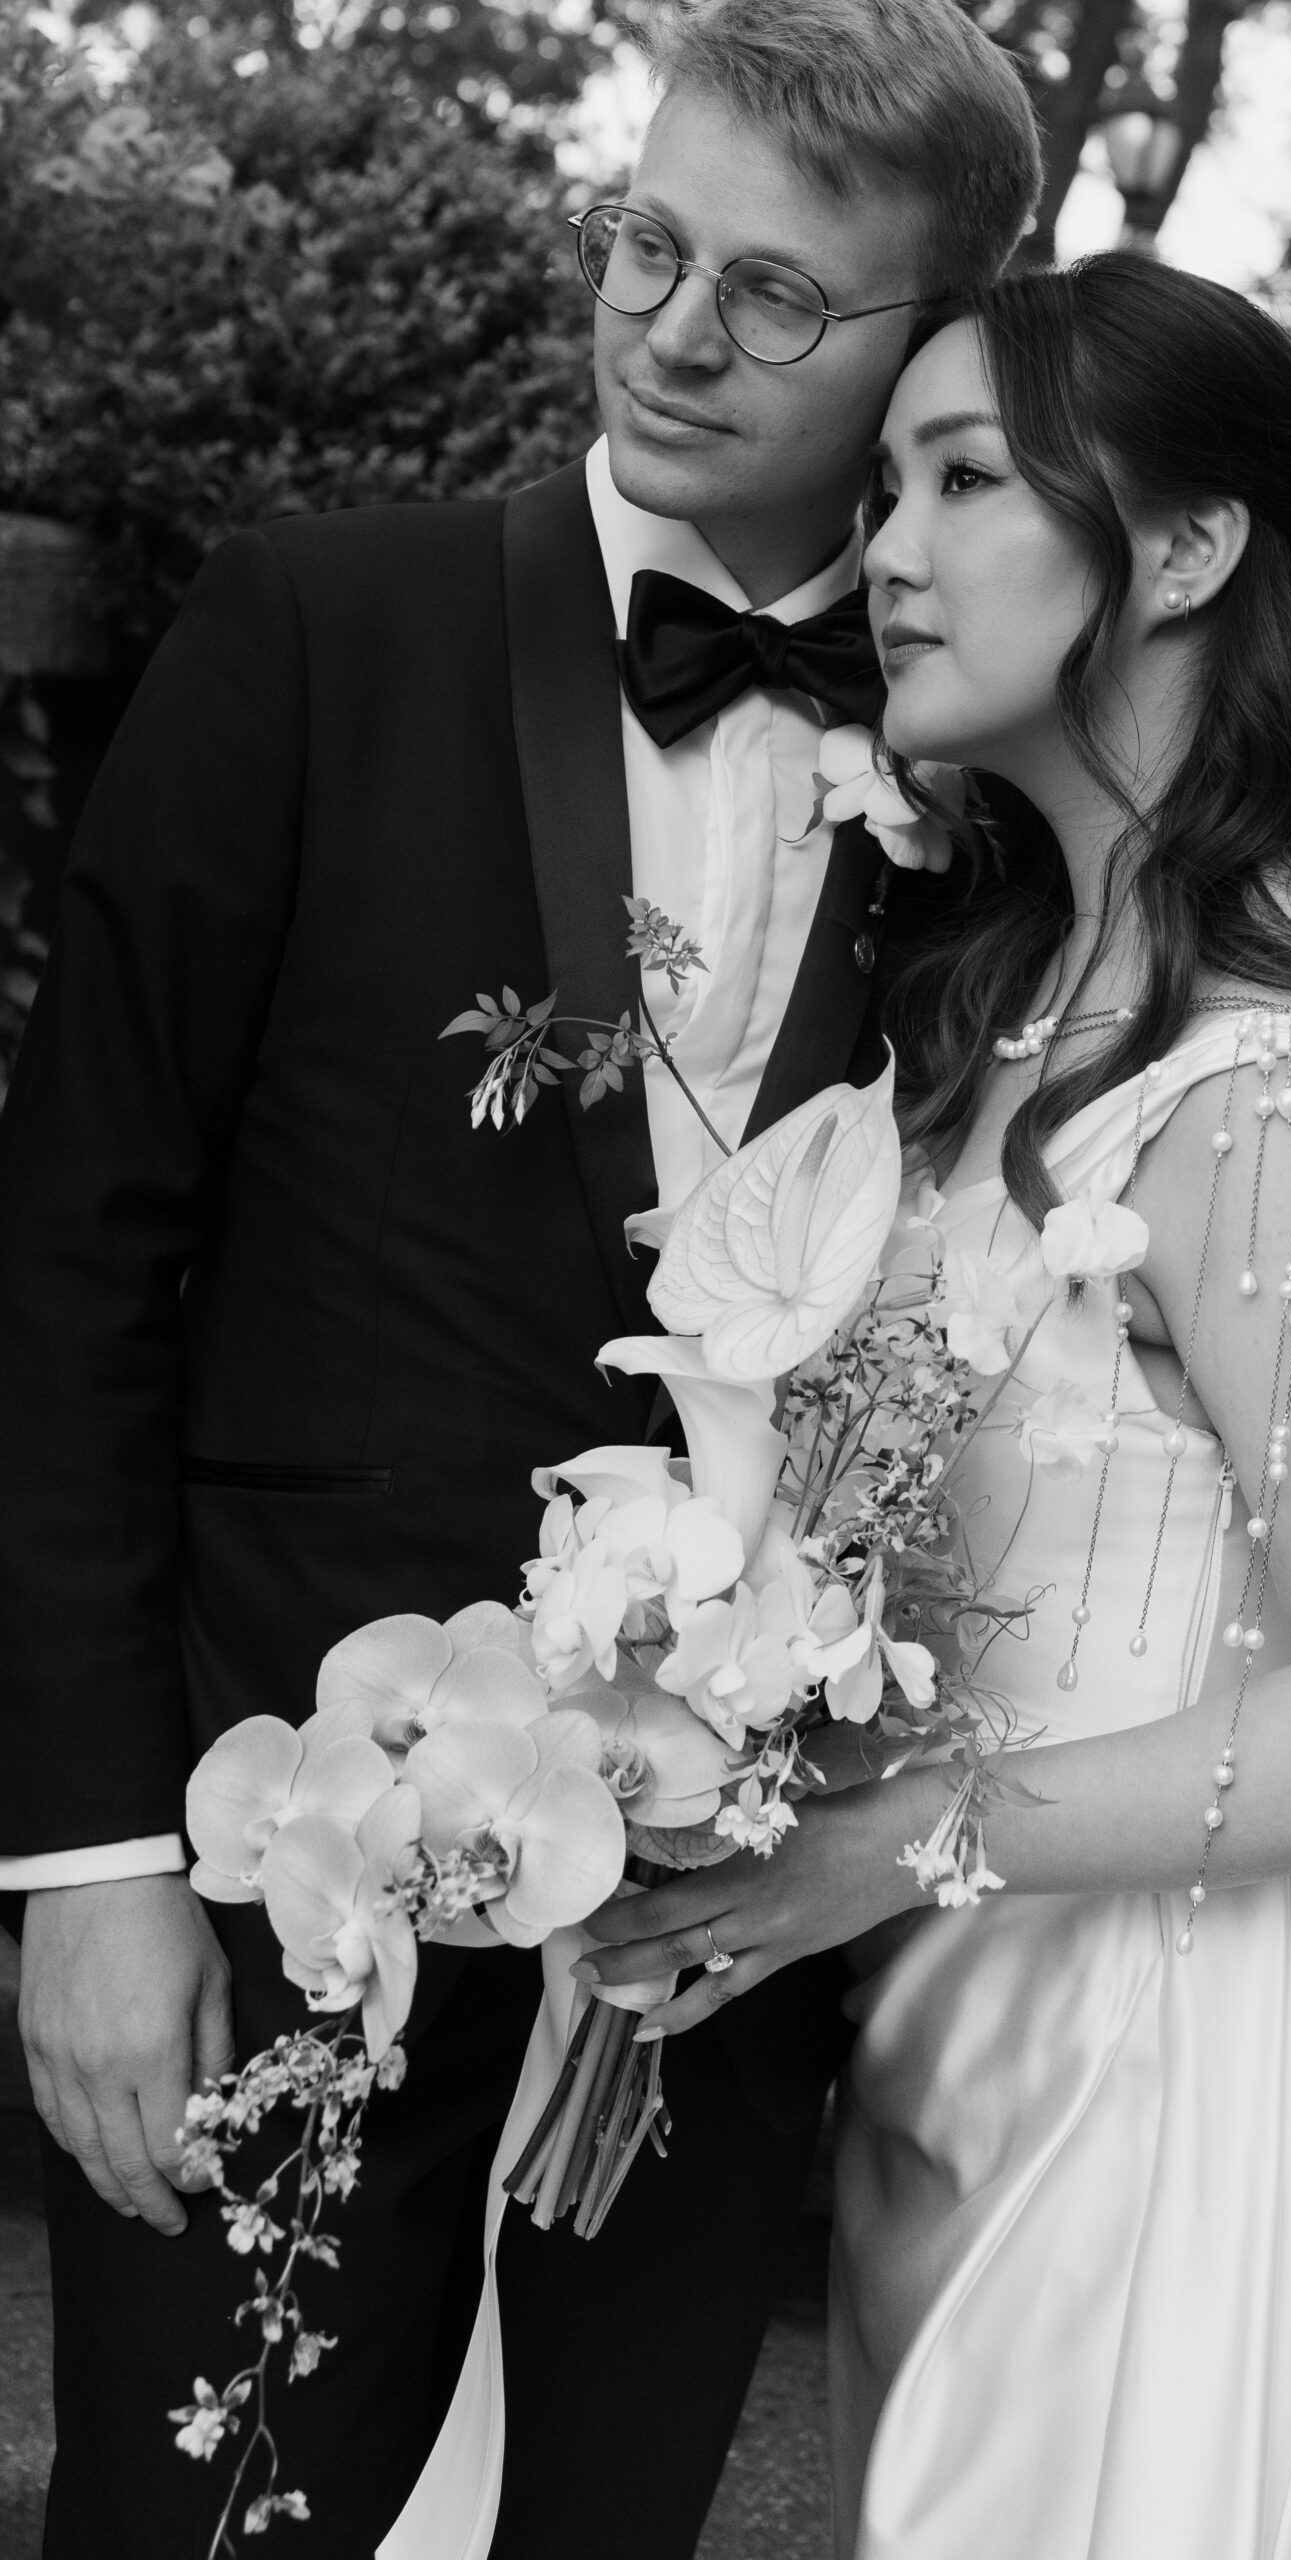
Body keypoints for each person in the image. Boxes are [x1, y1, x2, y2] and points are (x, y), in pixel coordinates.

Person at [0, 9, 1041, 2554]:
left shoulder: (1011, 785)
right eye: (648, 245)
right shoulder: (303, 632)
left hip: (718, 1965)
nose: (673, 330)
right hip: (268, 1894)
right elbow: (69, 1262)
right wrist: (88, 1860)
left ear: (935, 346)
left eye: (779, 299)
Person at [579, 255, 1291, 2556]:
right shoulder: (1017, 993)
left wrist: (861, 1847)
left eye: (966, 478)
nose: (885, 549)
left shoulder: (1279, 1070)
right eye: (885, 483)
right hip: (988, 2043)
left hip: (1211, 2092)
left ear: (1185, 549)